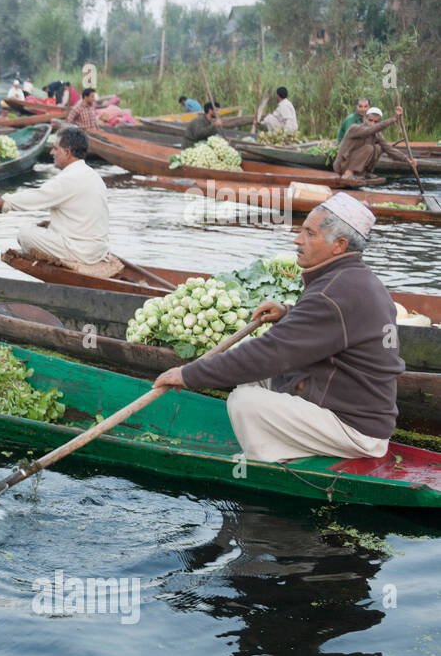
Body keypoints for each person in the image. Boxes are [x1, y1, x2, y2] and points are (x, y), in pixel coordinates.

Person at [153, 193, 402, 463]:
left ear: (339, 245)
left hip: (355, 430)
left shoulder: (332, 293)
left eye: (309, 233)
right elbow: (333, 327)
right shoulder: (358, 280)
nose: (297, 240)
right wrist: (288, 314)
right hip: (350, 409)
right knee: (250, 380)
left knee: (244, 401)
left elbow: (268, 352)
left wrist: (188, 374)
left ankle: (267, 463)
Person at [0, 127, 109, 267]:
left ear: (67, 152)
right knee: (43, 227)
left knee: (25, 233)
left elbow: (35, 198)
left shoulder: (69, 178)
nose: (52, 152)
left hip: (81, 251)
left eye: (55, 148)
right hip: (98, 249)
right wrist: (54, 224)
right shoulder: (93, 175)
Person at [333, 106, 415, 180]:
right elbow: (369, 130)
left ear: (379, 122)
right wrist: (393, 119)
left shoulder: (377, 135)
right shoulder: (355, 128)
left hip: (357, 166)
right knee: (369, 148)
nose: (372, 124)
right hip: (343, 165)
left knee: (379, 148)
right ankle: (348, 173)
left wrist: (407, 160)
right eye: (370, 120)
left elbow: (389, 149)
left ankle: (365, 173)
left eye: (376, 122)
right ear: (365, 119)